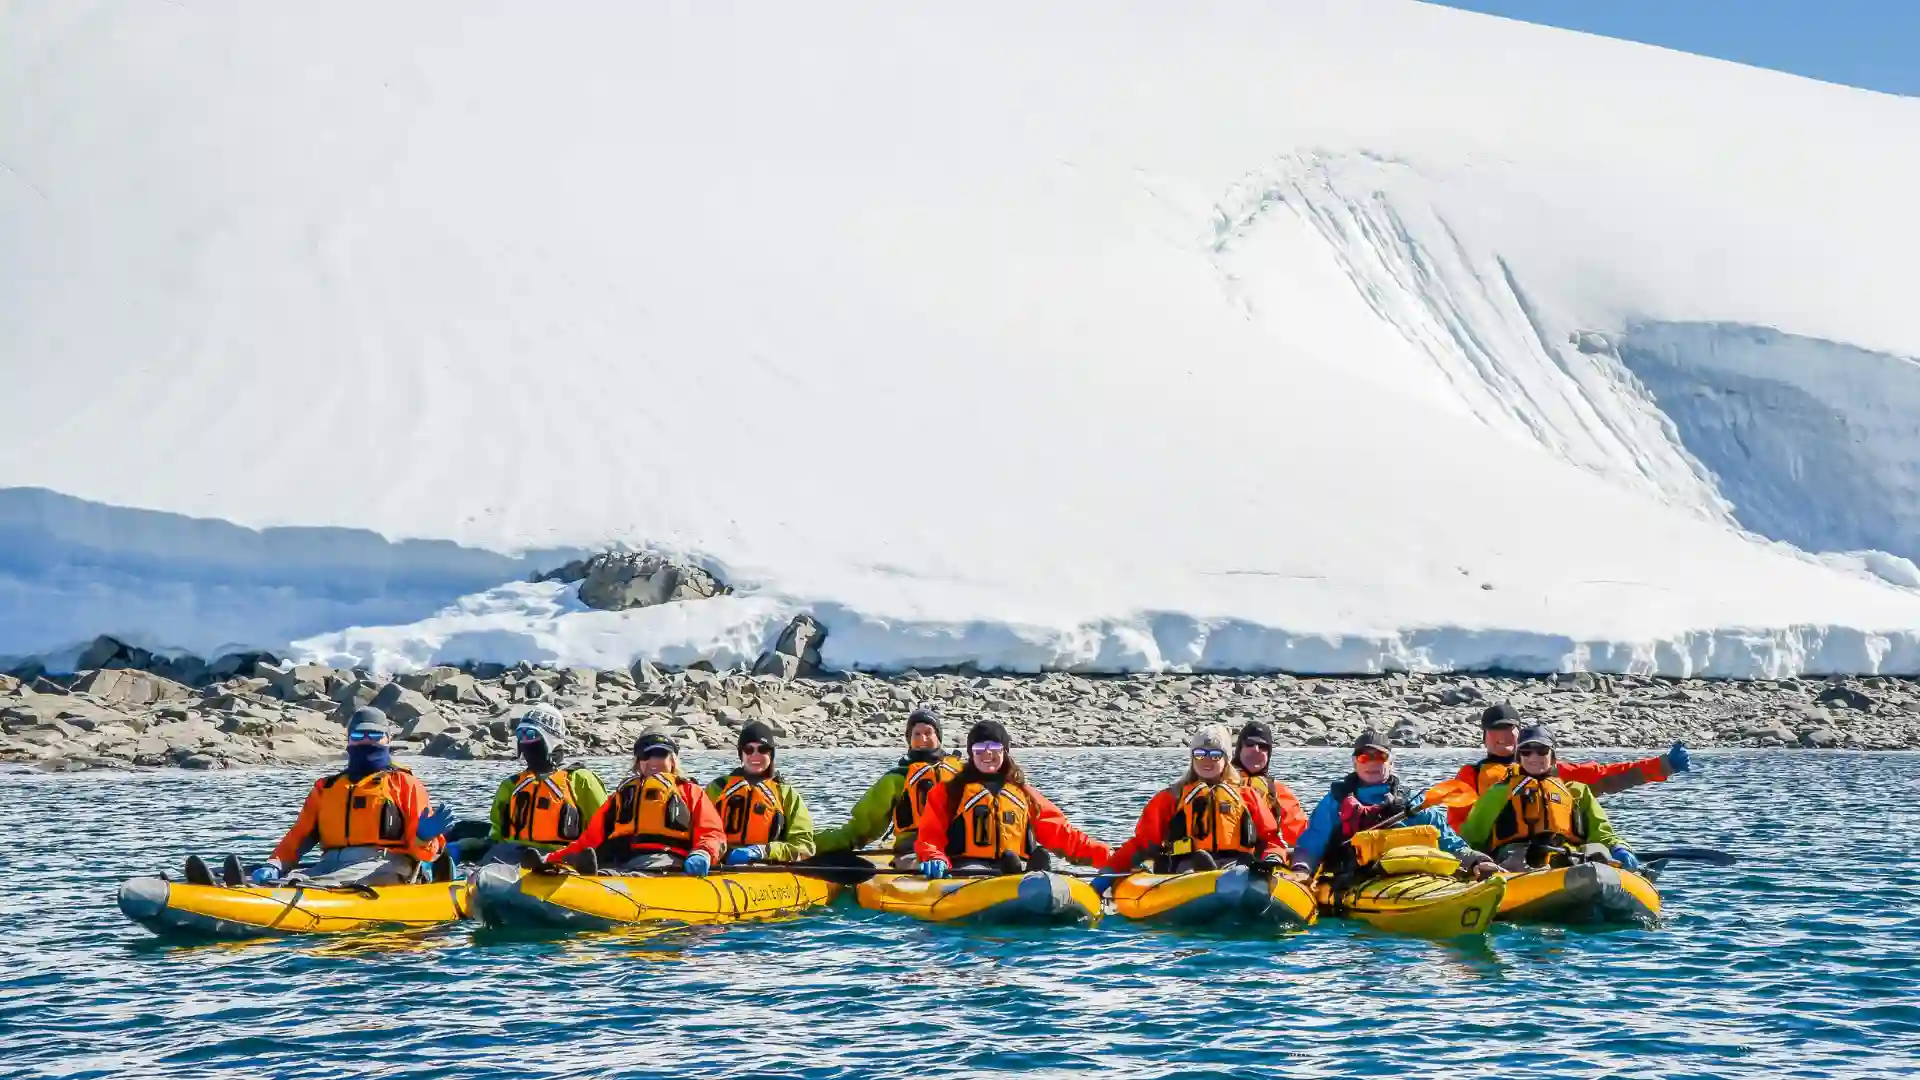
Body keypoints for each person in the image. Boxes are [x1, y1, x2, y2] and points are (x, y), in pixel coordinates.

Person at [219, 707, 453, 887]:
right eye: (359, 734)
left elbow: (426, 853)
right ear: (349, 739)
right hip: (331, 863)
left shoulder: (405, 784)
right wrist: (276, 864)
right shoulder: (327, 787)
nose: (367, 740)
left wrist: (424, 837)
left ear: (388, 740)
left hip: (387, 865)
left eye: (375, 734)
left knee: (309, 883)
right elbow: (300, 836)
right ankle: (241, 888)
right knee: (292, 877)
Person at [1434, 702, 1689, 828]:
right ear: (1484, 736)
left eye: (1508, 729)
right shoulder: (1471, 775)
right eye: (1495, 730)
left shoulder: (1551, 769)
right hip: (1500, 855)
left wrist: (1664, 765)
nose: (1502, 736)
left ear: (1519, 732)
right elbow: (1458, 824)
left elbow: (1607, 776)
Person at [1099, 725, 1291, 891]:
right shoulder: (1171, 797)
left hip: (1237, 864)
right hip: (1185, 866)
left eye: (1215, 755)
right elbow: (1142, 843)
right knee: (1191, 873)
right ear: (1192, 758)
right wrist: (1108, 874)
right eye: (1200, 754)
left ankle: (1220, 880)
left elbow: (1270, 840)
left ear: (1226, 760)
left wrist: (1272, 859)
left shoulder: (1247, 796)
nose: (1206, 760)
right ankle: (1205, 879)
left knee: (1239, 873)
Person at [1289, 730, 1497, 882]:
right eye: (1364, 757)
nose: (1372, 763)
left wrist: (1476, 861)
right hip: (1352, 879)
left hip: (1412, 878)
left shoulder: (1410, 803)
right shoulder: (1336, 801)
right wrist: (1302, 869)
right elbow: (1313, 839)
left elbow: (1448, 841)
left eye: (1380, 757)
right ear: (1355, 763)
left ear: (1391, 763)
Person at [913, 720, 1111, 877]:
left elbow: (1062, 834)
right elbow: (930, 835)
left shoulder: (1023, 792)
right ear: (971, 755)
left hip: (1017, 863)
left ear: (1005, 752)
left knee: (1034, 858)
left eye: (994, 747)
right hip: (968, 867)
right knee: (993, 871)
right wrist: (934, 856)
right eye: (979, 749)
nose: (987, 753)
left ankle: (1027, 875)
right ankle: (1014, 877)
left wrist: (1108, 857)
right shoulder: (949, 791)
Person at [1459, 725, 1640, 872]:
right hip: (1518, 857)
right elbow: (1471, 836)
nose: (1534, 757)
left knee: (1598, 851)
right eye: (1526, 752)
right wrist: (1470, 862)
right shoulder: (1498, 793)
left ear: (1552, 757)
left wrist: (1619, 848)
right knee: (1520, 860)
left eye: (1542, 751)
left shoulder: (1577, 791)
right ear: (1518, 757)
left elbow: (1601, 832)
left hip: (1569, 855)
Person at [543, 730, 725, 876]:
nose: (653, 760)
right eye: (645, 755)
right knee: (605, 863)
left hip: (666, 861)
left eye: (660, 754)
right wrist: (554, 857)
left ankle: (604, 879)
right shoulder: (621, 797)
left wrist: (703, 853)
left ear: (672, 760)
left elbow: (712, 832)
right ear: (638, 762)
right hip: (623, 861)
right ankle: (588, 874)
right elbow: (590, 839)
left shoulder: (689, 791)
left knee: (637, 871)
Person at [457, 703, 609, 867]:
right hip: (510, 856)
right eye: (520, 735)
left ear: (550, 739)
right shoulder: (511, 785)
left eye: (531, 734)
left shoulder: (581, 780)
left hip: (562, 857)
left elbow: (604, 829)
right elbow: (497, 835)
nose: (525, 741)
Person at [813, 706, 963, 869]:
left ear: (938, 737)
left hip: (958, 849)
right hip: (913, 851)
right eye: (916, 734)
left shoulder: (961, 773)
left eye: (928, 733)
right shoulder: (896, 778)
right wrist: (816, 843)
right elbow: (864, 825)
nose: (922, 739)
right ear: (909, 739)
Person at [705, 720, 817, 865]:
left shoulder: (786, 794)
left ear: (771, 754)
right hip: (721, 865)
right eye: (749, 749)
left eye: (763, 749)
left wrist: (763, 851)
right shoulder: (718, 788)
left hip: (767, 866)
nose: (755, 755)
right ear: (741, 754)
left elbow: (804, 846)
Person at [1233, 721, 1309, 845]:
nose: (1256, 750)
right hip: (1221, 857)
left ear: (1269, 754)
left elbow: (1301, 834)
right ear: (1239, 749)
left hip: (1266, 856)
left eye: (1262, 746)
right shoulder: (1219, 782)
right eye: (1250, 744)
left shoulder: (1277, 791)